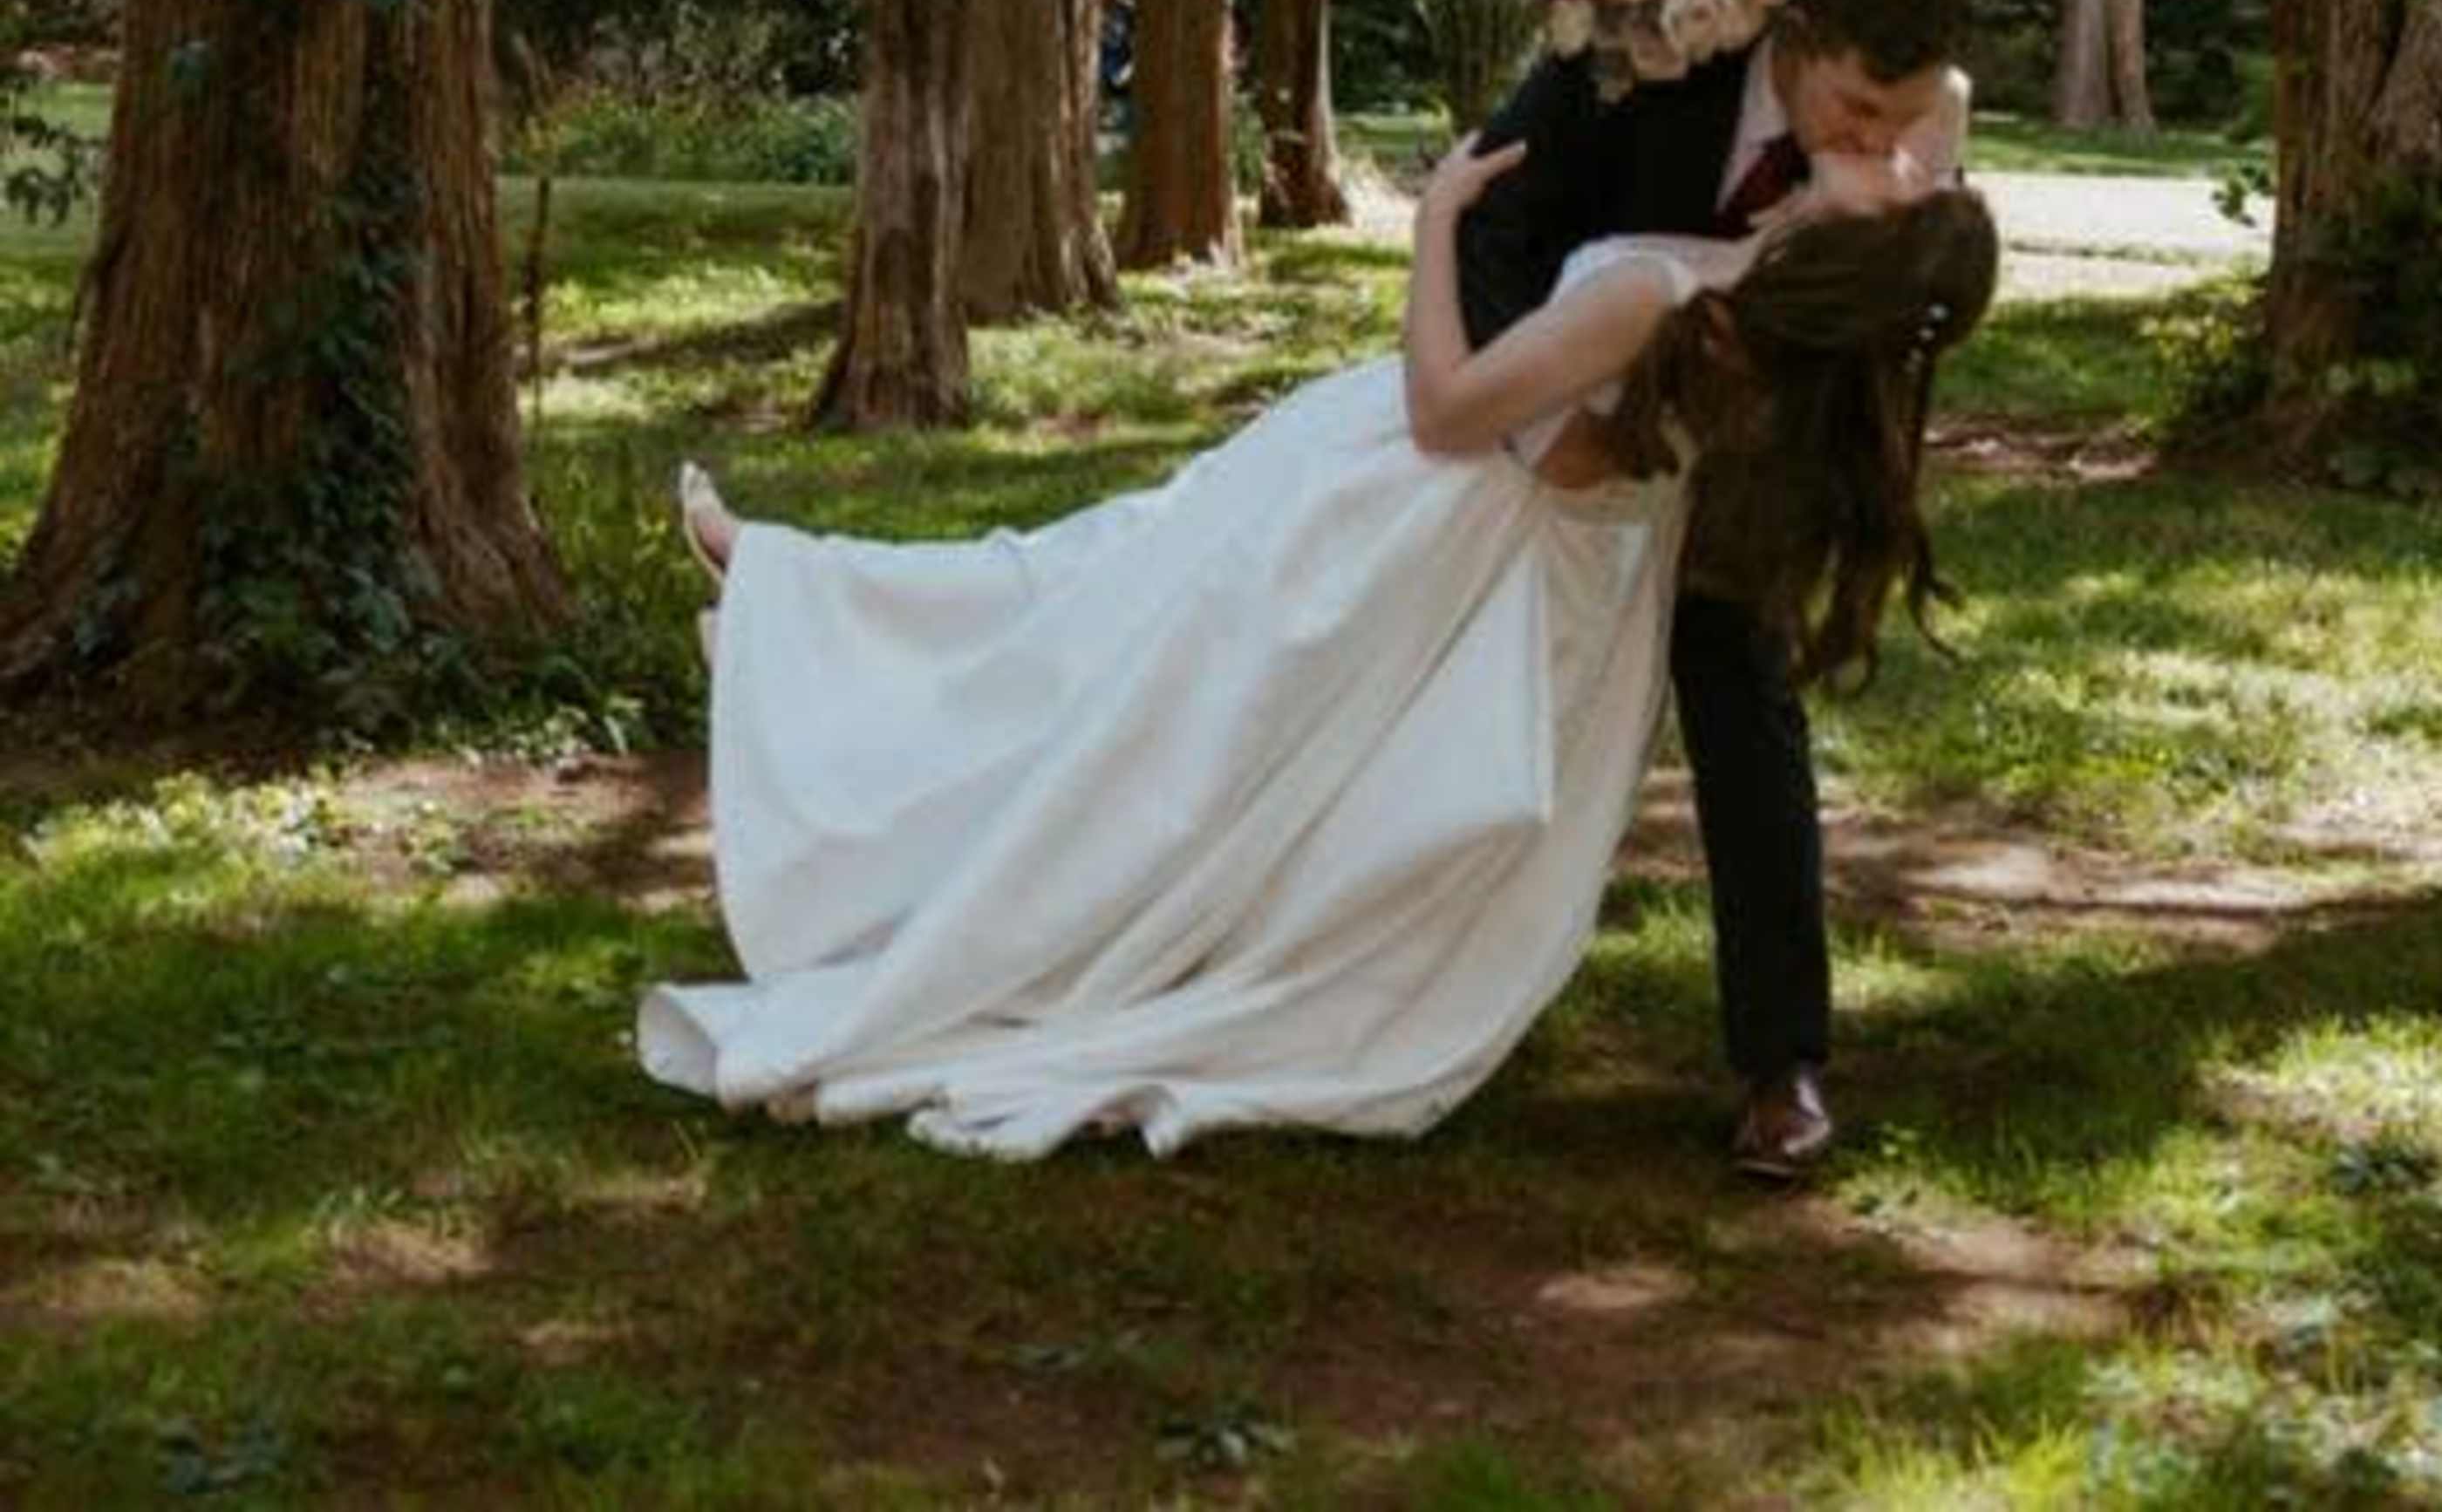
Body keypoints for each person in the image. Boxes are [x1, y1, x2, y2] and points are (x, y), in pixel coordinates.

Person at [638, 125, 1996, 1165]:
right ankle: (796, 590)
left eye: (1900, 178)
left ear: (1858, 254)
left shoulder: (1659, 298)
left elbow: (1451, 412)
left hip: (1398, 512)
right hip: (1542, 602)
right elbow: (1590, 461)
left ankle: (809, 629)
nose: (1891, 152)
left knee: (1101, 634)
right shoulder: (1803, 372)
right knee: (1136, 648)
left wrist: (1435, 225)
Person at [1451, 0, 1974, 1183]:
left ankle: (1780, 1065)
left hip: (1754, 443)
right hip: (1572, 411)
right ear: (1797, 41)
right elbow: (1491, 224)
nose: (1873, 146)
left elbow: (1895, 305)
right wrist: (1540, 431)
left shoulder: (1925, 118)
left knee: (1742, 686)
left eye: (1900, 122)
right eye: (1853, 109)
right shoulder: (1645, 57)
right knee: (1497, 692)